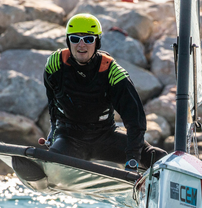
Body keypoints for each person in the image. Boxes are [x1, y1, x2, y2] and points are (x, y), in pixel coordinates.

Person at [40, 13, 167, 172]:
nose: (81, 45)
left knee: (157, 156)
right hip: (70, 139)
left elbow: (135, 119)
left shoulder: (112, 72)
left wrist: (133, 159)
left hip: (105, 137)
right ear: (68, 41)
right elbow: (53, 103)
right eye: (75, 39)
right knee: (51, 164)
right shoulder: (55, 64)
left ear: (97, 42)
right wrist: (53, 133)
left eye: (88, 39)